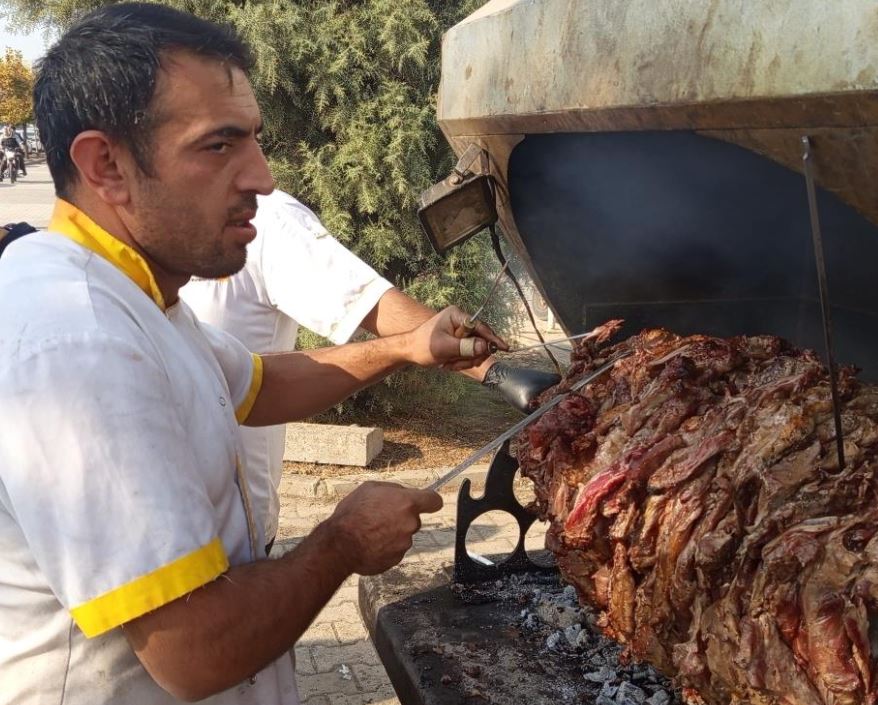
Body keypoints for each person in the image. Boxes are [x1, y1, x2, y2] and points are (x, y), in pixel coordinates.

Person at [0, 5, 506, 704]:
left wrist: (407, 346)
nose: (263, 179)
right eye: (218, 145)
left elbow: (258, 384)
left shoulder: (136, 290)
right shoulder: (77, 335)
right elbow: (195, 652)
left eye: (255, 141)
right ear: (105, 164)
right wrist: (339, 543)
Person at [180, 190, 560, 548]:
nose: (262, 175)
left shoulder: (267, 219)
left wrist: (494, 372)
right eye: (225, 140)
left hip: (230, 537)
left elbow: (366, 304)